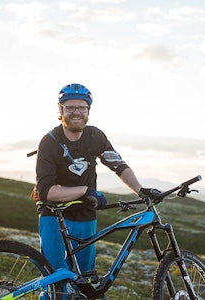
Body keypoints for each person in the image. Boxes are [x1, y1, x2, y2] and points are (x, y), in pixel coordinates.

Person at [34, 83, 160, 297]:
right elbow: (46, 191)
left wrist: (140, 190)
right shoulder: (50, 142)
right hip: (54, 217)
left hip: (85, 217)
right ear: (61, 110)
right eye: (70, 107)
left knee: (84, 283)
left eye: (82, 108)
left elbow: (118, 165)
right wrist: (85, 191)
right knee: (56, 284)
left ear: (88, 111)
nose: (76, 112)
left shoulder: (95, 137)